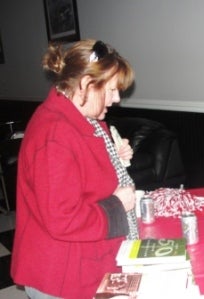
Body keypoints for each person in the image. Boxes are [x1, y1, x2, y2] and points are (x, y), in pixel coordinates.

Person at [11, 39, 139, 299]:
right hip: (62, 274)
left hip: (90, 260)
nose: (116, 99)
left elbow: (87, 175)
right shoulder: (55, 134)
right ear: (85, 84)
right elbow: (62, 218)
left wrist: (115, 155)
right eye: (112, 90)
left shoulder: (86, 118)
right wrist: (117, 204)